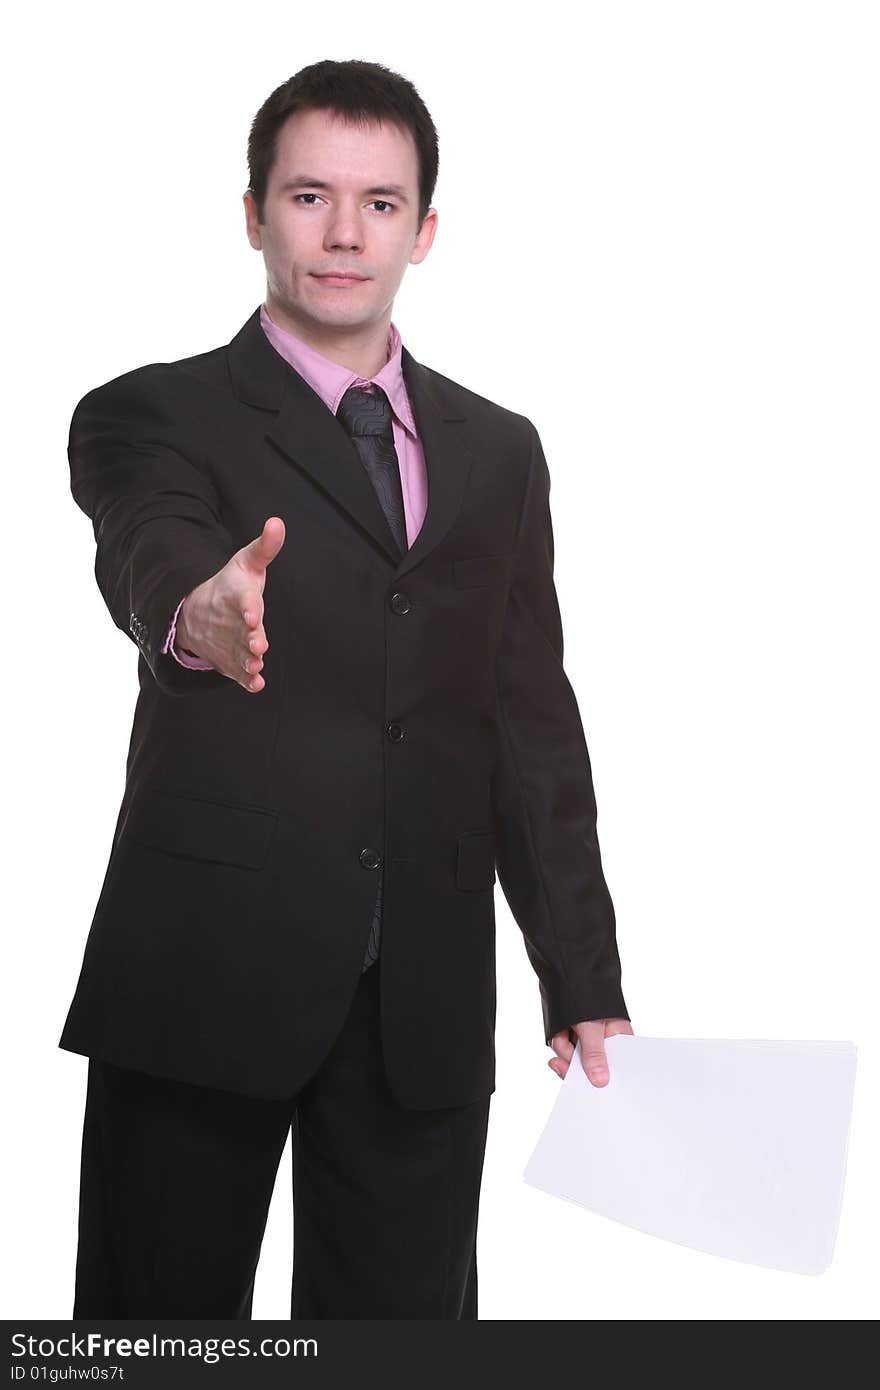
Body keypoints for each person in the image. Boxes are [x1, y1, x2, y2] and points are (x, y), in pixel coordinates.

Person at [61, 57, 633, 1320]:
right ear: (255, 211)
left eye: (380, 203)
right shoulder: (151, 413)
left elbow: (527, 723)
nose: (342, 232)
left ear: (424, 231)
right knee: (154, 1336)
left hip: (421, 992)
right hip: (206, 971)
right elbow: (151, 541)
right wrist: (198, 618)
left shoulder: (497, 451)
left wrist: (580, 974)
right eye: (309, 194)